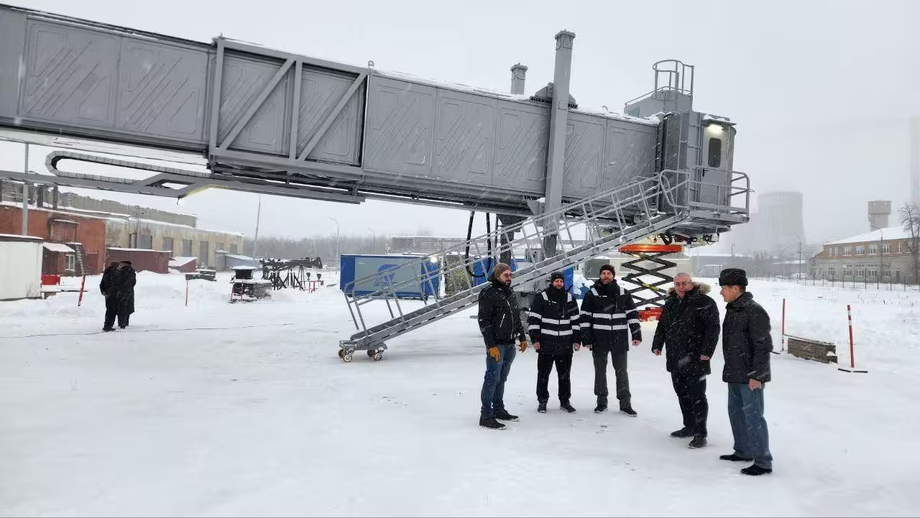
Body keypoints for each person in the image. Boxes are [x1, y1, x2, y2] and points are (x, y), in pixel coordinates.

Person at [652, 273, 720, 449]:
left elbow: (713, 329)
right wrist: (657, 344)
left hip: (696, 358)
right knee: (682, 393)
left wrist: (707, 352)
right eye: (677, 284)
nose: (681, 287)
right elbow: (662, 325)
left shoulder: (704, 302)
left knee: (697, 397)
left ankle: (700, 433)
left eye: (684, 283)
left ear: (691, 283)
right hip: (675, 357)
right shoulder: (671, 302)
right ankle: (689, 426)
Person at [718, 268, 774, 476]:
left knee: (753, 417)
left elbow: (762, 346)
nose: (721, 292)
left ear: (735, 288)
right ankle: (743, 450)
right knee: (736, 413)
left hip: (750, 376)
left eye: (724, 288)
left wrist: (757, 376)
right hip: (734, 372)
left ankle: (762, 461)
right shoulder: (733, 309)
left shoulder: (754, 310)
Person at [580, 264, 642, 415]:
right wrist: (586, 338)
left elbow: (632, 314)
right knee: (600, 372)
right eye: (603, 273)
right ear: (600, 276)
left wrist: (636, 334)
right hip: (599, 339)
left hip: (619, 339)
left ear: (613, 276)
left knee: (622, 372)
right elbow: (585, 317)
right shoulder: (591, 294)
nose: (606, 276)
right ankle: (601, 402)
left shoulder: (623, 293)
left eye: (609, 273)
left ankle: (625, 403)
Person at [477, 263, 528, 430]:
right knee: (492, 379)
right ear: (498, 275)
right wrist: (490, 345)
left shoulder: (510, 293)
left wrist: (521, 337)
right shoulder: (488, 293)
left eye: (511, 275)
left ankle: (498, 409)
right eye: (506, 275)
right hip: (497, 345)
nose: (509, 278)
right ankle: (486, 415)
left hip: (510, 343)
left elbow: (516, 317)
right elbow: (484, 321)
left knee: (502, 378)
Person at [528, 271, 581, 414]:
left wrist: (577, 340)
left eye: (561, 282)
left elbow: (576, 322)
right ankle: (542, 401)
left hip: (565, 345)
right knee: (543, 375)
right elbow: (533, 320)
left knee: (564, 375)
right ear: (551, 282)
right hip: (546, 345)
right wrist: (535, 340)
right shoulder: (542, 298)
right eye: (556, 281)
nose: (559, 284)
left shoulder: (570, 299)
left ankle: (565, 401)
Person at [99, 261, 121, 332]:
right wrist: (116, 292)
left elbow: (102, 284)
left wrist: (104, 291)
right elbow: (115, 284)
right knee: (112, 311)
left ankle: (107, 325)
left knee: (109, 310)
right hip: (113, 295)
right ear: (116, 266)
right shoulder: (114, 273)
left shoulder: (107, 272)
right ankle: (108, 326)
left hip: (108, 295)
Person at [116, 260, 136, 329]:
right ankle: (125, 322)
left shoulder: (123, 271)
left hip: (123, 291)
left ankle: (121, 323)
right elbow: (133, 282)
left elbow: (119, 281)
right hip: (129, 291)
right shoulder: (132, 271)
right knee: (127, 307)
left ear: (125, 264)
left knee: (121, 307)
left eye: (121, 264)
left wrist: (121, 288)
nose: (120, 265)